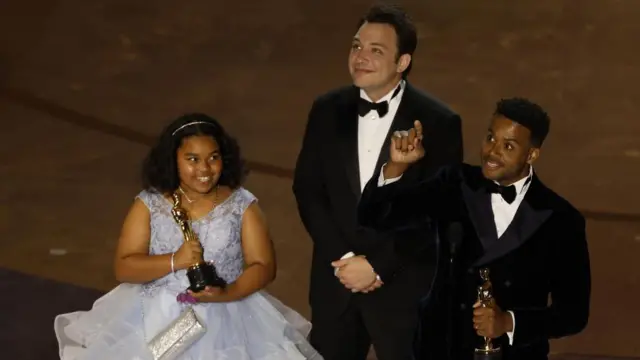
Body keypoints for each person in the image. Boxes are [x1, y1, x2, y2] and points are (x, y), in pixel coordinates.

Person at [54, 113, 322, 359]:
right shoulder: (150, 204)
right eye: (192, 159)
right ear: (173, 160)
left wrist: (228, 292)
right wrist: (174, 260)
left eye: (213, 157)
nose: (205, 169)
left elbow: (263, 266)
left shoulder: (242, 205)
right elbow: (124, 267)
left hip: (229, 315)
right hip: (154, 318)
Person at [358, 98, 591, 360]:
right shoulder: (456, 184)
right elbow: (374, 217)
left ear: (532, 155)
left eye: (508, 146)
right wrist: (397, 166)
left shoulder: (561, 220)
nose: (492, 151)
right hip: (442, 349)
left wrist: (509, 323)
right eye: (491, 137)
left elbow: (573, 314)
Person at [292, 3, 463, 360]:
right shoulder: (326, 109)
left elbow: (437, 213)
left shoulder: (439, 122)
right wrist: (346, 259)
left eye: (376, 50)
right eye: (356, 46)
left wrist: (377, 266)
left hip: (402, 290)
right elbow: (308, 190)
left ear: (402, 62)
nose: (360, 57)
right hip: (336, 287)